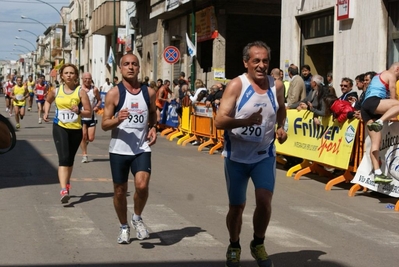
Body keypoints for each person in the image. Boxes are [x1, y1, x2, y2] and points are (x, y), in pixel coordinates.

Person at [215, 41, 287, 267]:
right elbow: (219, 120)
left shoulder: (276, 86)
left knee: (264, 202)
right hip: (236, 156)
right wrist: (245, 121)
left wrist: (281, 127)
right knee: (236, 207)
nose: (261, 65)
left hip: (264, 154)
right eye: (256, 60)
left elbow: (281, 108)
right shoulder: (236, 85)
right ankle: (234, 244)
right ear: (246, 62)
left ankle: (258, 243)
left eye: (265, 60)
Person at [101, 53, 157, 244]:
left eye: (134, 64)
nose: (131, 67)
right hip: (119, 149)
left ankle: (137, 218)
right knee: (119, 190)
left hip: (141, 148)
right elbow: (104, 124)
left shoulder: (148, 92)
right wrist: (118, 119)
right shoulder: (114, 94)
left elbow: (153, 112)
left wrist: (154, 128)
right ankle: (124, 226)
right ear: (120, 68)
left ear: (139, 68)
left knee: (142, 185)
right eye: (126, 64)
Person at [43, 63, 92, 203]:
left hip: (75, 129)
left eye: (72, 73)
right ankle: (63, 190)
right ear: (62, 76)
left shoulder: (80, 92)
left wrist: (79, 111)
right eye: (66, 73)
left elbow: (89, 112)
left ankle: (67, 182)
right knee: (63, 158)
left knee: (70, 159)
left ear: (76, 75)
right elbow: (47, 101)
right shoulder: (56, 91)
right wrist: (46, 112)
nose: (69, 75)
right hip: (60, 127)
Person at [361, 62, 399, 184]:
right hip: (374, 102)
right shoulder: (391, 74)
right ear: (397, 69)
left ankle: (377, 173)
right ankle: (380, 121)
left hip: (366, 107)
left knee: (375, 143)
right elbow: (393, 99)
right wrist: (389, 116)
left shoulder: (378, 75)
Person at [80, 72, 102, 163]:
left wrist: (97, 106)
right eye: (85, 79)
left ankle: (85, 143)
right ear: (82, 79)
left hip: (92, 116)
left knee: (91, 138)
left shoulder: (95, 90)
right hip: (82, 115)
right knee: (83, 136)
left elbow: (100, 100)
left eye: (89, 79)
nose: (87, 80)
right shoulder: (79, 89)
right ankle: (84, 154)